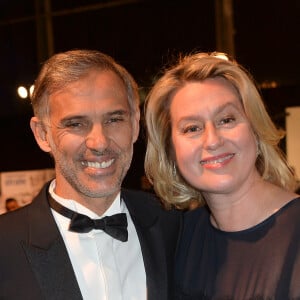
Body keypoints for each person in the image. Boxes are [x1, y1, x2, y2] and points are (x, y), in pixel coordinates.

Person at [0, 49, 180, 300]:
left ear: (136, 123)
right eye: (76, 124)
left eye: (114, 119)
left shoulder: (175, 226)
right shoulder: (6, 247)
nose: (99, 142)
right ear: (42, 134)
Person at [144, 51, 300, 299]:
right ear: (171, 150)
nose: (213, 140)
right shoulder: (179, 238)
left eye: (226, 120)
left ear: (256, 131)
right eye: (192, 128)